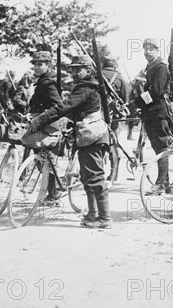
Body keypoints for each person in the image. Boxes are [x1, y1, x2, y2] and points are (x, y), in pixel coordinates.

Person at [27, 55, 112, 228]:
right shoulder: (87, 86)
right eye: (72, 69)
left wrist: (40, 119)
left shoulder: (86, 87)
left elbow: (64, 107)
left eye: (77, 69)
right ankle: (92, 214)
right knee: (86, 176)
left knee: (95, 176)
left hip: (92, 134)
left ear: (88, 70)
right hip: (87, 133)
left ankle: (105, 218)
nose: (73, 72)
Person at [135, 38, 172, 195]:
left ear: (158, 51)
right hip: (151, 113)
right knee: (157, 148)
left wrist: (137, 102)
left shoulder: (161, 67)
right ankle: (167, 183)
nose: (147, 52)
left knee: (162, 147)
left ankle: (161, 183)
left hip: (159, 112)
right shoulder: (150, 67)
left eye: (151, 49)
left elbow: (155, 92)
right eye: (145, 49)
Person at [28, 50, 64, 205]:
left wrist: (42, 116)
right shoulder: (43, 80)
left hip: (47, 125)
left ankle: (54, 193)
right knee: (42, 158)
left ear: (48, 65)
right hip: (40, 123)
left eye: (40, 64)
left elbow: (58, 105)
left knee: (47, 159)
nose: (36, 67)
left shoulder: (48, 83)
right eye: (35, 64)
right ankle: (52, 191)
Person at [101, 56, 129, 142]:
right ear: (115, 66)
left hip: (98, 110)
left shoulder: (97, 74)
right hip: (113, 110)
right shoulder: (119, 77)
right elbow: (123, 97)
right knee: (114, 131)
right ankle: (116, 151)